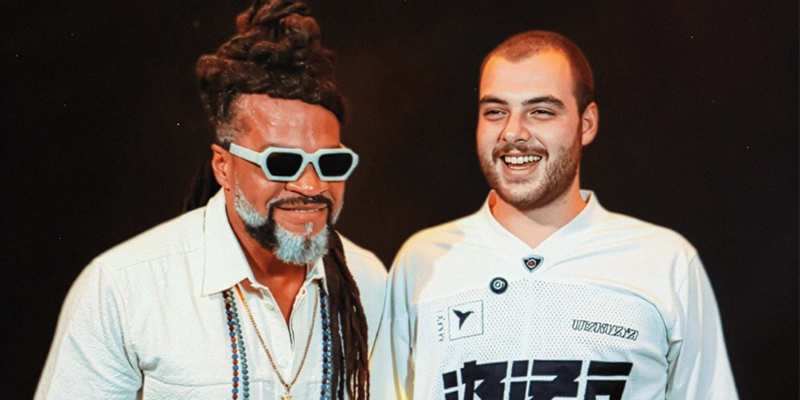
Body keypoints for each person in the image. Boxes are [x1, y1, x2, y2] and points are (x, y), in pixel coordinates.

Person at [35, 1, 387, 399]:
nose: (310, 186)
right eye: (281, 163)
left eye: (331, 163)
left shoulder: (368, 281)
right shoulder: (124, 288)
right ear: (223, 166)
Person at [375, 30, 738, 399]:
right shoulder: (423, 262)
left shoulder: (665, 262)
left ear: (586, 123)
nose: (512, 133)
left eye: (541, 112)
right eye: (495, 112)